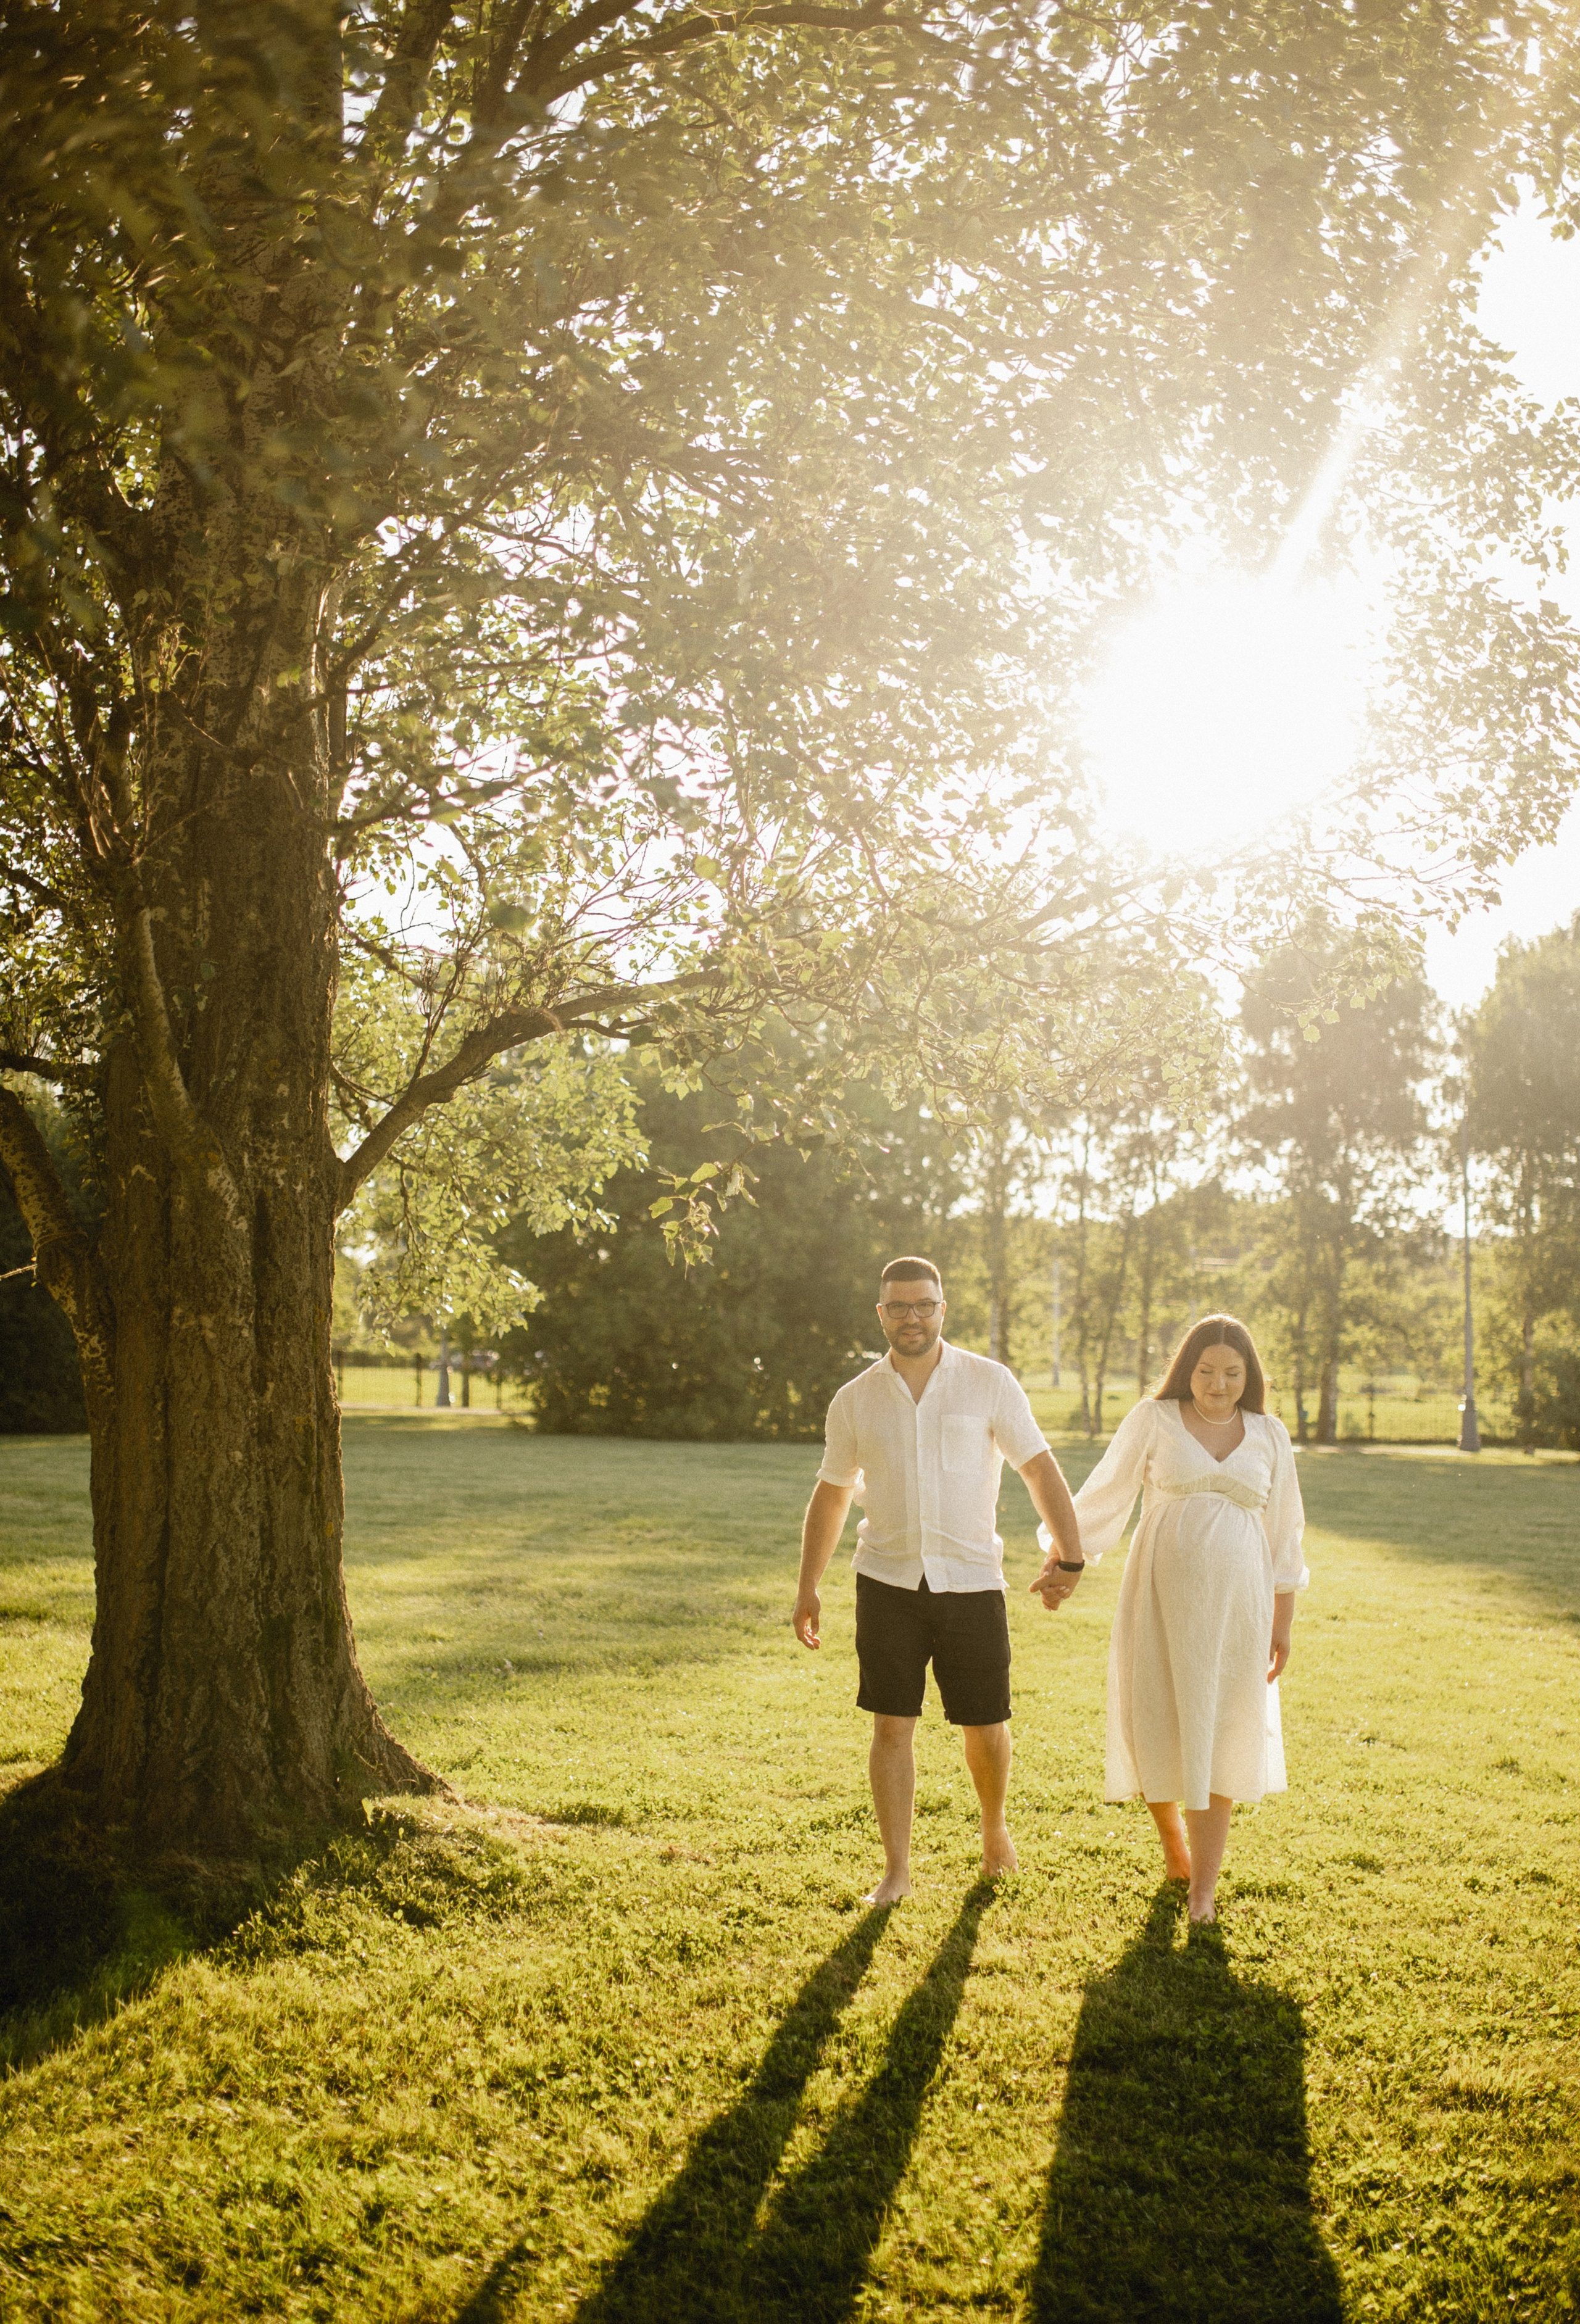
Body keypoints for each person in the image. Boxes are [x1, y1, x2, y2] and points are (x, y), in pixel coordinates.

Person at [793, 1256, 1088, 1904]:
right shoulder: (855, 1399)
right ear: (882, 1314)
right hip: (887, 1582)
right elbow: (833, 1494)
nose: (912, 1317)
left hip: (972, 1583)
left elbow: (1037, 1468)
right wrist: (807, 1584)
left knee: (985, 1723)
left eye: (924, 1304)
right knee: (891, 1727)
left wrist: (1070, 1556)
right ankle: (896, 1870)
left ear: (942, 1309)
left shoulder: (989, 1383)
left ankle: (994, 1831)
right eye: (899, 1306)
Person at [1060, 1313, 1308, 1924]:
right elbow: (1105, 1493)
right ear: (1186, 1370)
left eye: (1231, 1372)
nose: (1217, 1383)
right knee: (1158, 1721)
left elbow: (1285, 1532)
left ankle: (1204, 1888)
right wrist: (1064, 1556)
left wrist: (1283, 1622)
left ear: (1247, 1375)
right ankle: (1174, 1841)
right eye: (1205, 1371)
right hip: (1159, 1596)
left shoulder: (1269, 1434)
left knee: (1220, 1732)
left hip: (1238, 1608)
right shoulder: (1154, 1420)